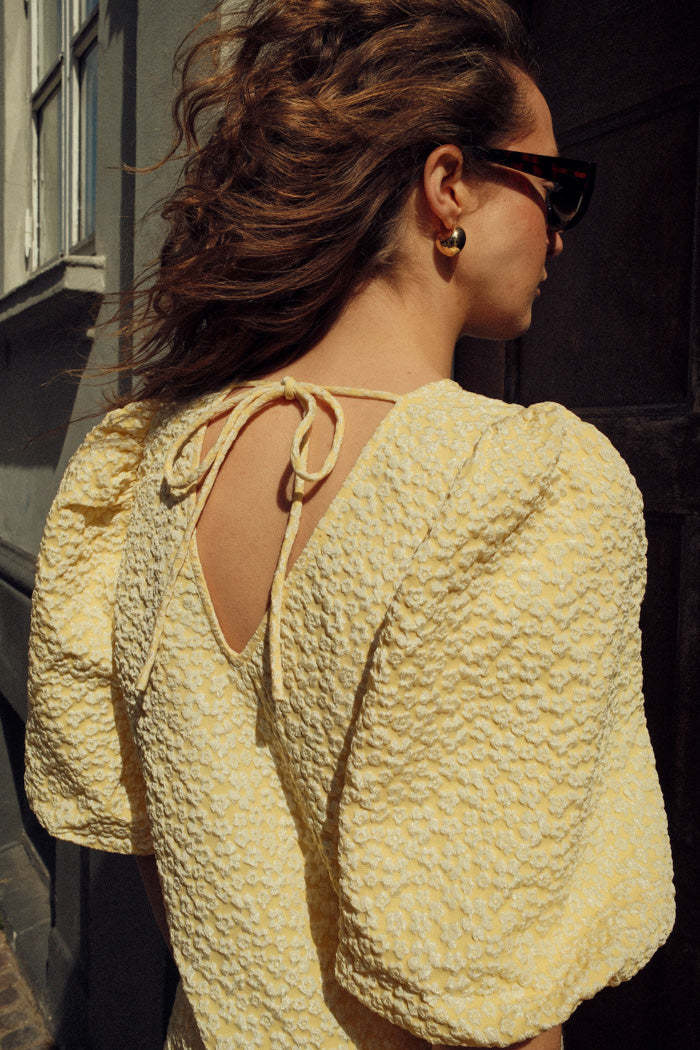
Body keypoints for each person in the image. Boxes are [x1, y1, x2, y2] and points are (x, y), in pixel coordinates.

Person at [23, 1, 675, 1048]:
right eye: (557, 187)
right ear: (448, 186)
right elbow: (489, 989)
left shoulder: (150, 466)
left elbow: (164, 849)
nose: (561, 229)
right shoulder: (510, 489)